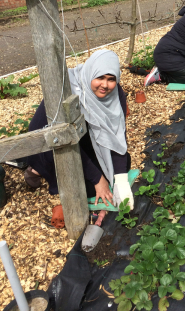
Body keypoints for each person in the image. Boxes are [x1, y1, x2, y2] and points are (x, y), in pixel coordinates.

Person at [24, 49, 134, 216]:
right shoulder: (70, 93)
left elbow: (117, 135)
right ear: (90, 74)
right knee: (87, 188)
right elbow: (67, 140)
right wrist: (98, 179)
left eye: (111, 79)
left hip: (84, 136)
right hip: (53, 143)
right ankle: (36, 169)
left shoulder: (116, 93)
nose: (105, 85)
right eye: (100, 78)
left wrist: (121, 180)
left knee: (123, 165)